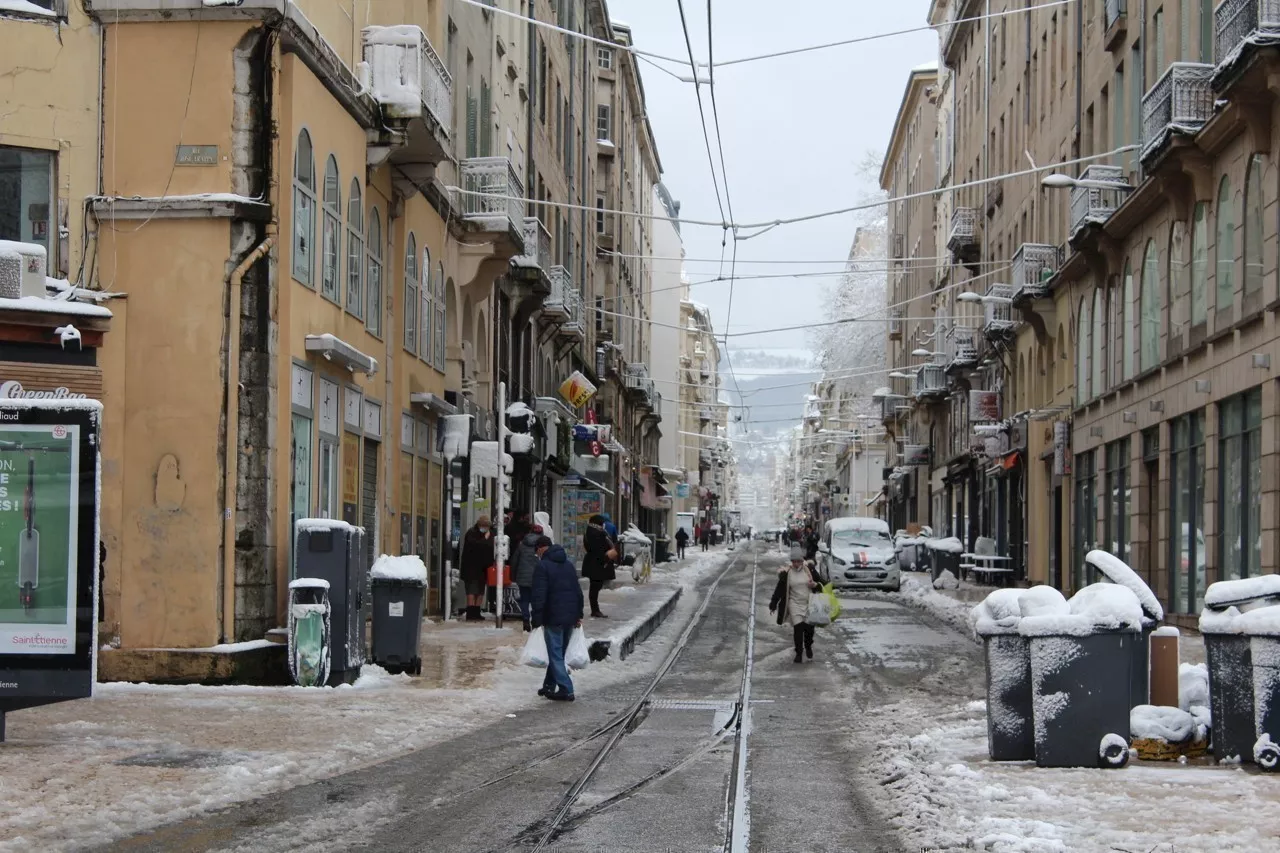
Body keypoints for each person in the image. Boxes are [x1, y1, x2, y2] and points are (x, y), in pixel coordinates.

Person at [531, 535, 584, 701]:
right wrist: (578, 614)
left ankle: (566, 689)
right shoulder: (568, 565)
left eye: (536, 551)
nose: (536, 554)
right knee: (558, 653)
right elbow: (578, 592)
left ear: (541, 549)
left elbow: (539, 595)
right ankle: (549, 685)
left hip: (553, 616)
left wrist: (536, 618)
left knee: (555, 655)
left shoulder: (542, 566)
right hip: (569, 616)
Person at [769, 556, 823, 663]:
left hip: (809, 604)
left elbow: (822, 584)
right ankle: (798, 653)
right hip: (794, 603)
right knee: (798, 628)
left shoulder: (810, 570)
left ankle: (808, 646)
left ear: (803, 561)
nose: (797, 564)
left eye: (799, 561)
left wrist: (815, 585)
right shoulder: (787, 573)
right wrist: (773, 604)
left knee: (809, 630)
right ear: (792, 562)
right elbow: (779, 589)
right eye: (794, 561)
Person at [581, 514, 616, 619]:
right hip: (597, 564)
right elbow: (598, 549)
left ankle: (595, 609)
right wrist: (607, 556)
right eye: (602, 523)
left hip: (595, 563)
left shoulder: (593, 531)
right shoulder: (595, 533)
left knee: (595, 587)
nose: (603, 525)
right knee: (595, 587)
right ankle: (595, 610)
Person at [459, 516, 494, 621]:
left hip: (483, 568)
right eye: (484, 526)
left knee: (480, 591)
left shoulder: (489, 534)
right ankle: (471, 613)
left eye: (487, 526)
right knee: (471, 590)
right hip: (471, 567)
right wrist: (485, 539)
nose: (486, 528)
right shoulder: (471, 533)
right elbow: (476, 546)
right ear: (479, 525)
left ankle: (477, 612)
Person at [514, 524, 544, 632]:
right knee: (536, 600)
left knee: (525, 600)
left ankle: (525, 620)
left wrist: (513, 575)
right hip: (538, 577)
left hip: (523, 577)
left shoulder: (522, 544)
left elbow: (515, 561)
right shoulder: (543, 544)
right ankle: (535, 621)